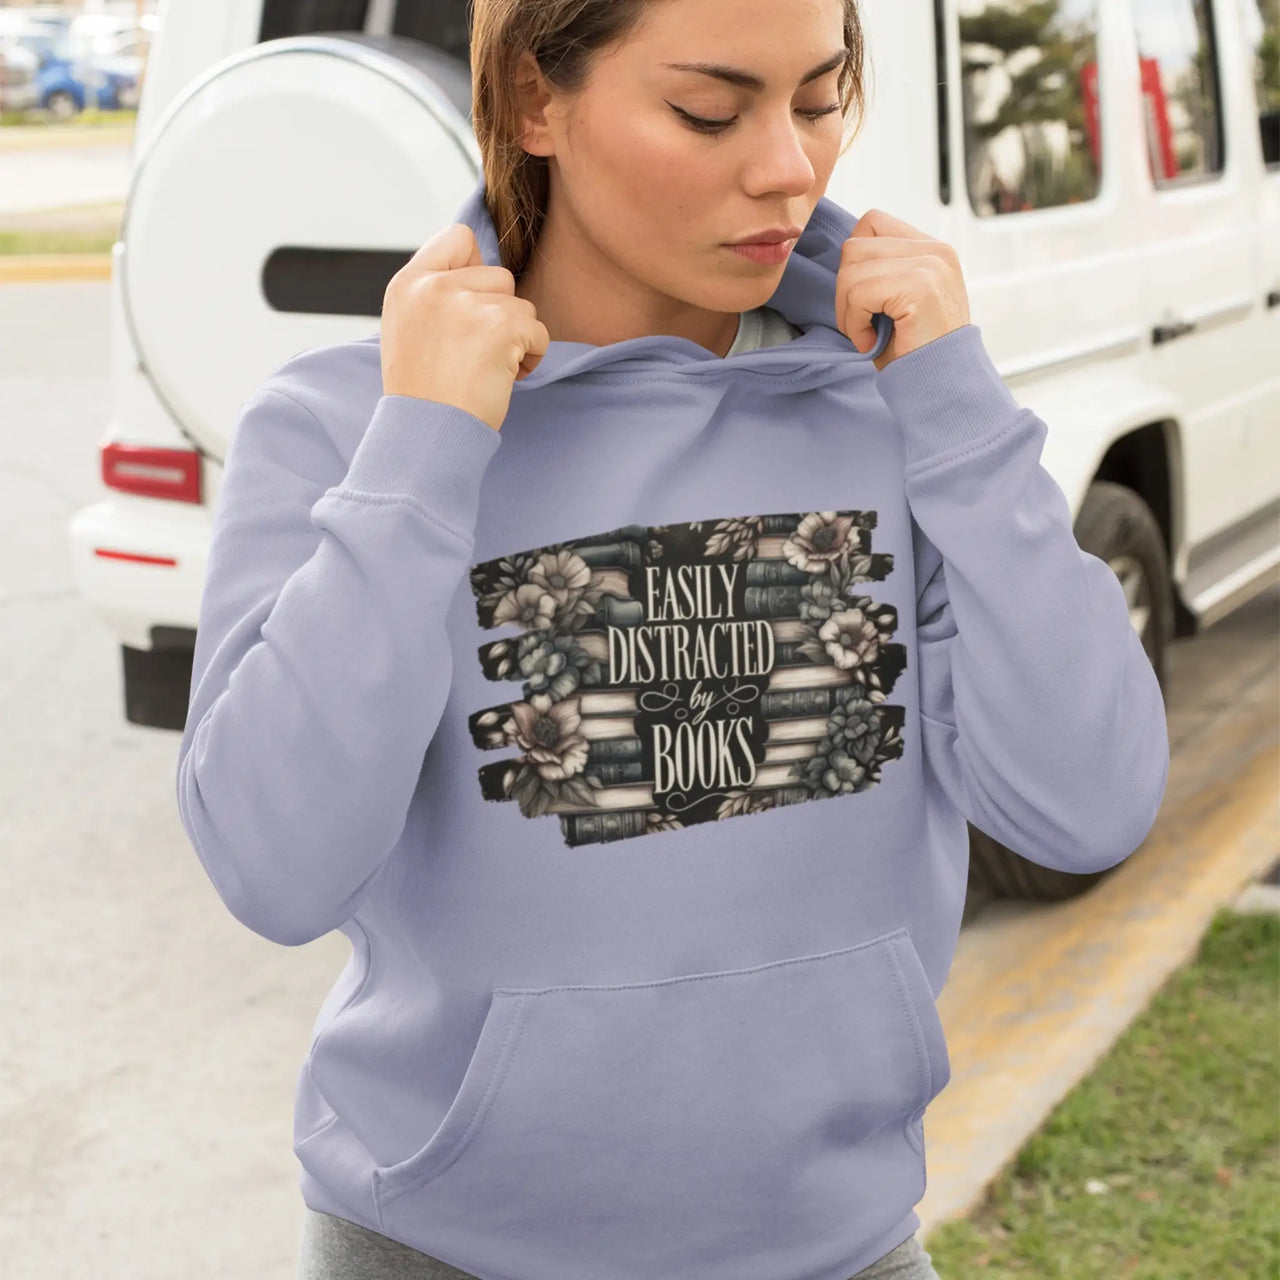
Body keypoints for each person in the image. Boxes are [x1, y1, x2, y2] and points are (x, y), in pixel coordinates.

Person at [174, 0, 1170, 1277]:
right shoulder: (346, 425)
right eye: (709, 109)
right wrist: (426, 447)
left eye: (817, 98)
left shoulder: (895, 403)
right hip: (436, 1249)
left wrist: (956, 406)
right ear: (535, 99)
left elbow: (1085, 808)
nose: (788, 166)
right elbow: (272, 866)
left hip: (838, 1249)